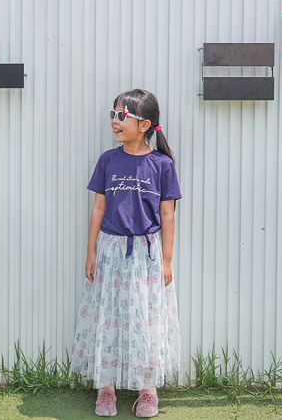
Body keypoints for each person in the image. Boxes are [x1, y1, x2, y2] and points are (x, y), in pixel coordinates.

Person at [71, 89, 182, 418]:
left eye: (122, 115)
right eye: (113, 114)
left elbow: (168, 215)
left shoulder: (162, 164)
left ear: (144, 124)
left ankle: (147, 388)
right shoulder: (108, 160)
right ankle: (106, 387)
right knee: (109, 315)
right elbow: (98, 207)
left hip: (147, 255)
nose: (114, 121)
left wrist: (167, 260)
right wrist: (91, 251)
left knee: (146, 319)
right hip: (110, 249)